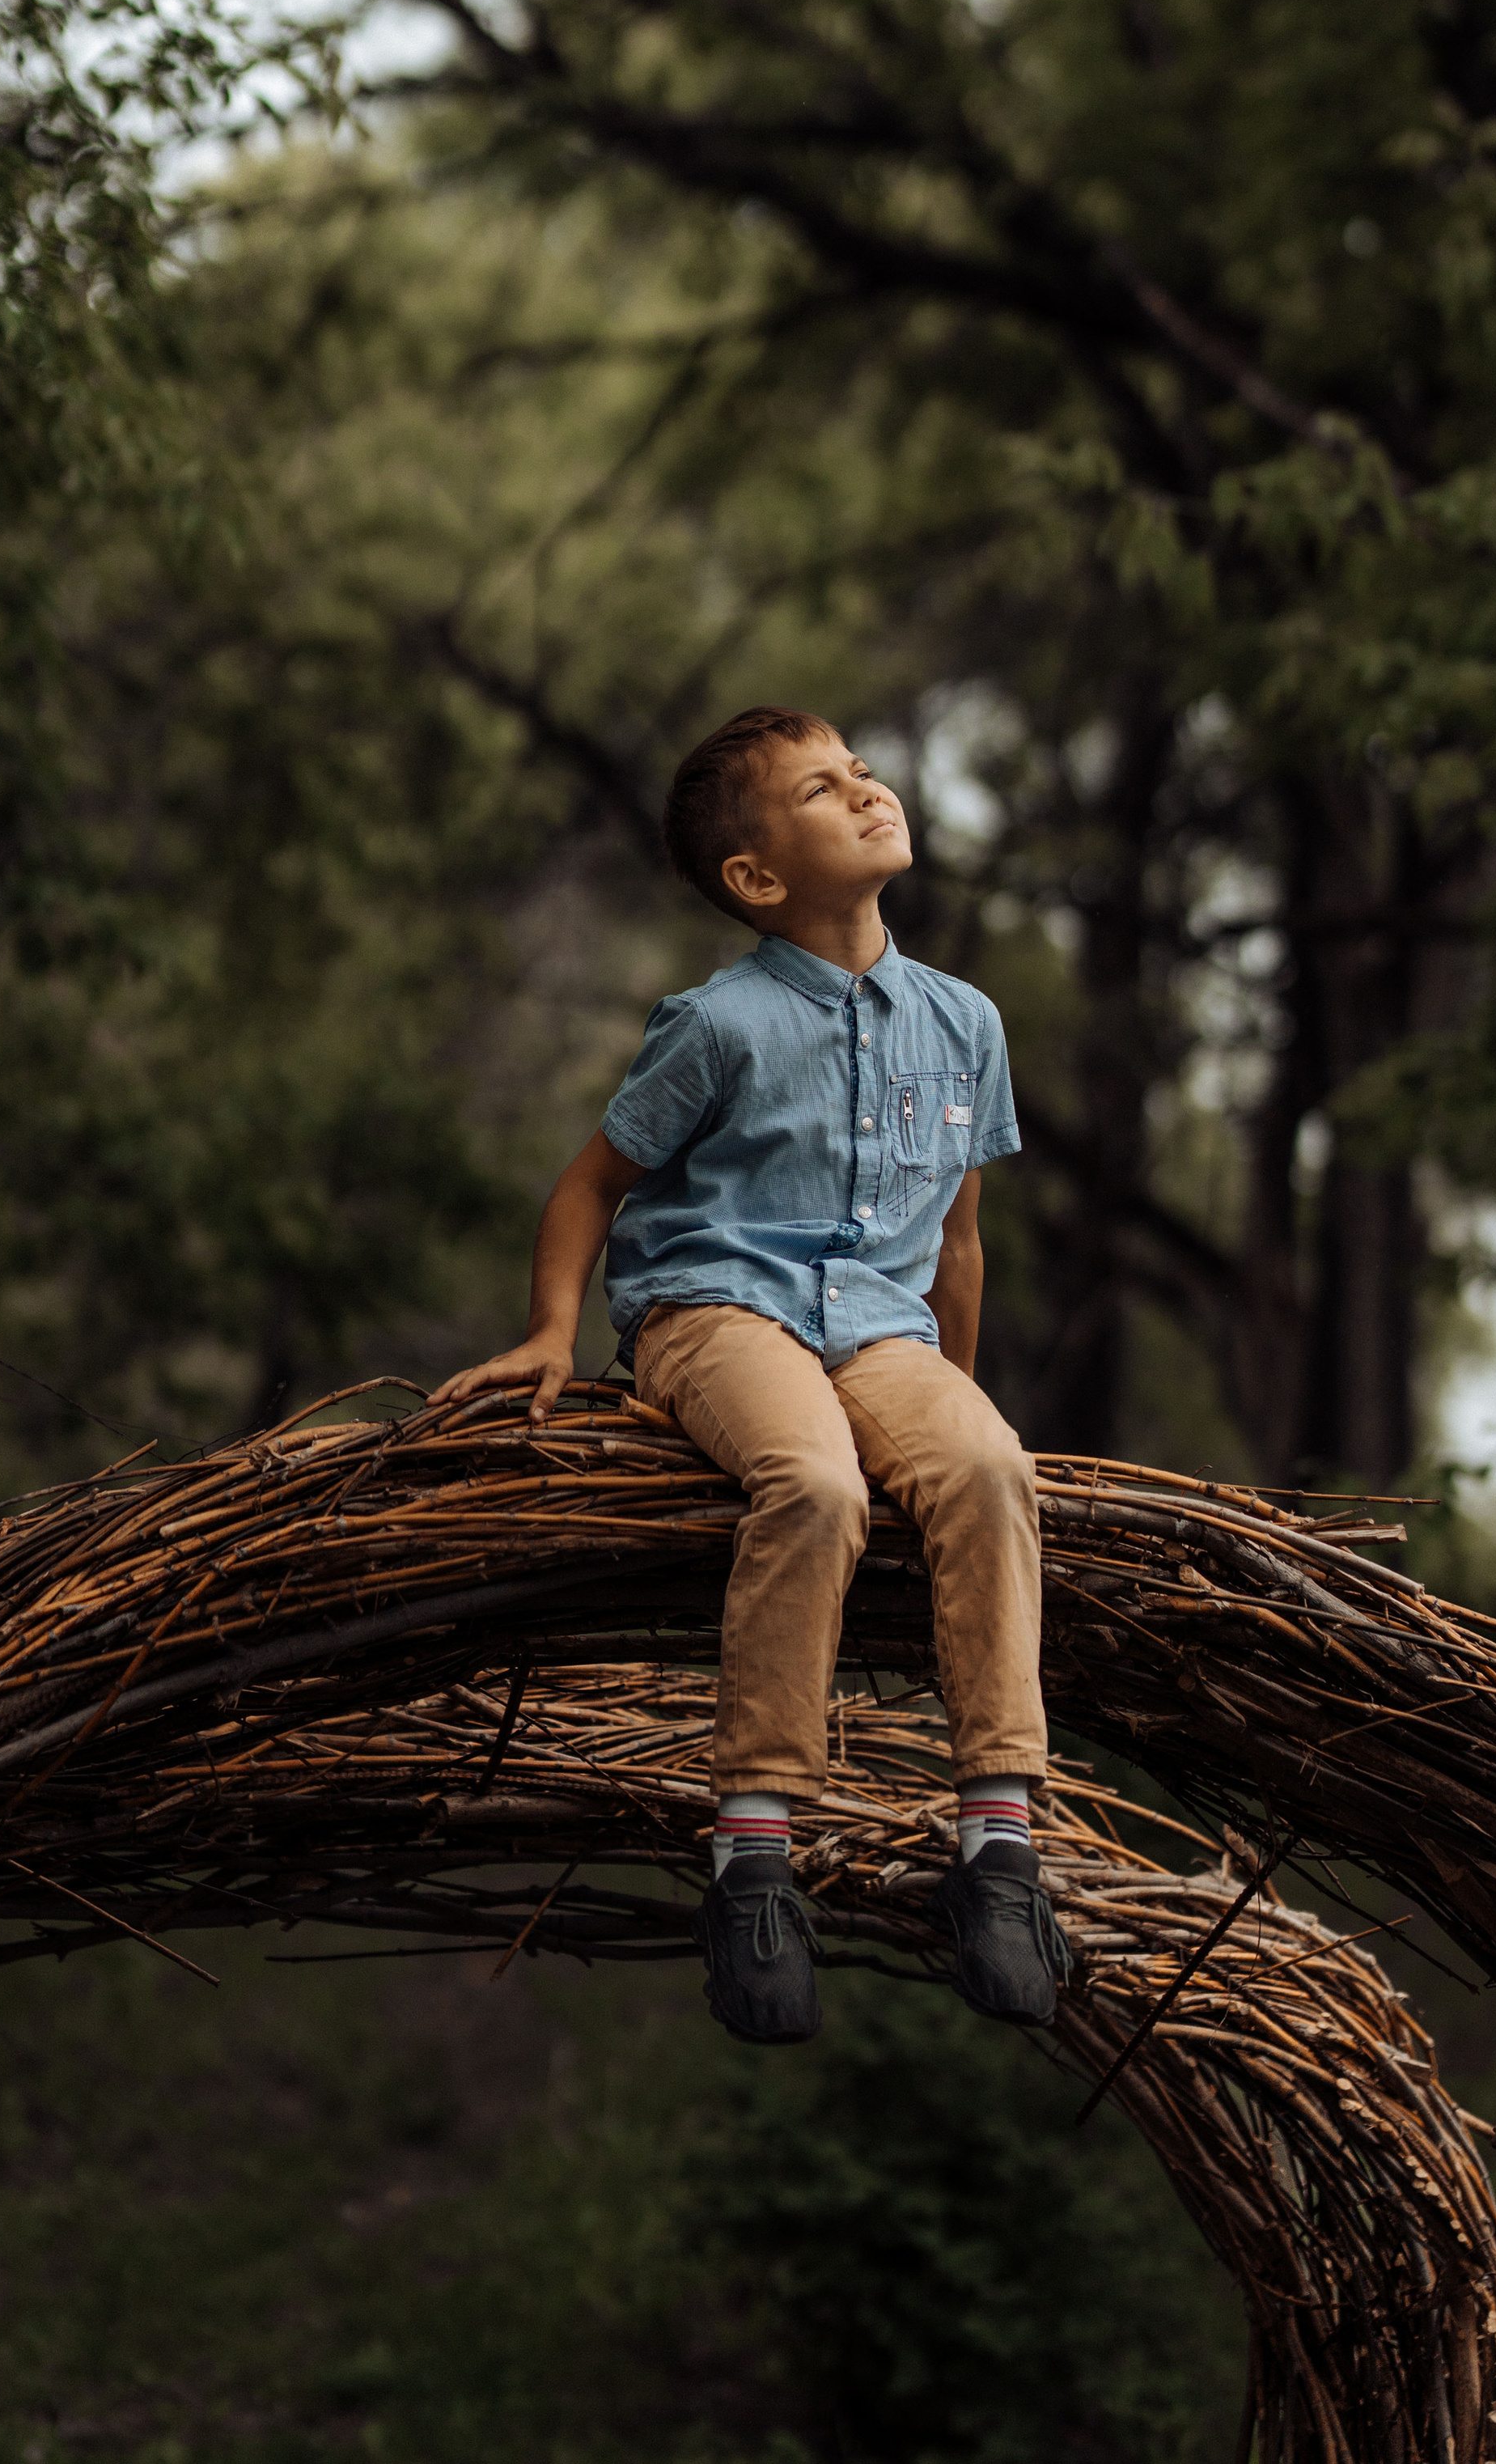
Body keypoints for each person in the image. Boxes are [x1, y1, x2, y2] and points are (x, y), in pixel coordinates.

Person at [430, 706, 1070, 2046]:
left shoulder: (964, 1023)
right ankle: (755, 1853)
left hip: (879, 1331)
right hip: (714, 1313)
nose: (867, 790)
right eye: (823, 789)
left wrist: (951, 1406)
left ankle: (1001, 1846)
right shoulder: (716, 1024)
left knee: (994, 1468)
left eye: (863, 770)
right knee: (813, 1487)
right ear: (759, 880)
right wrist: (553, 1333)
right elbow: (592, 1182)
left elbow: (958, 1239)